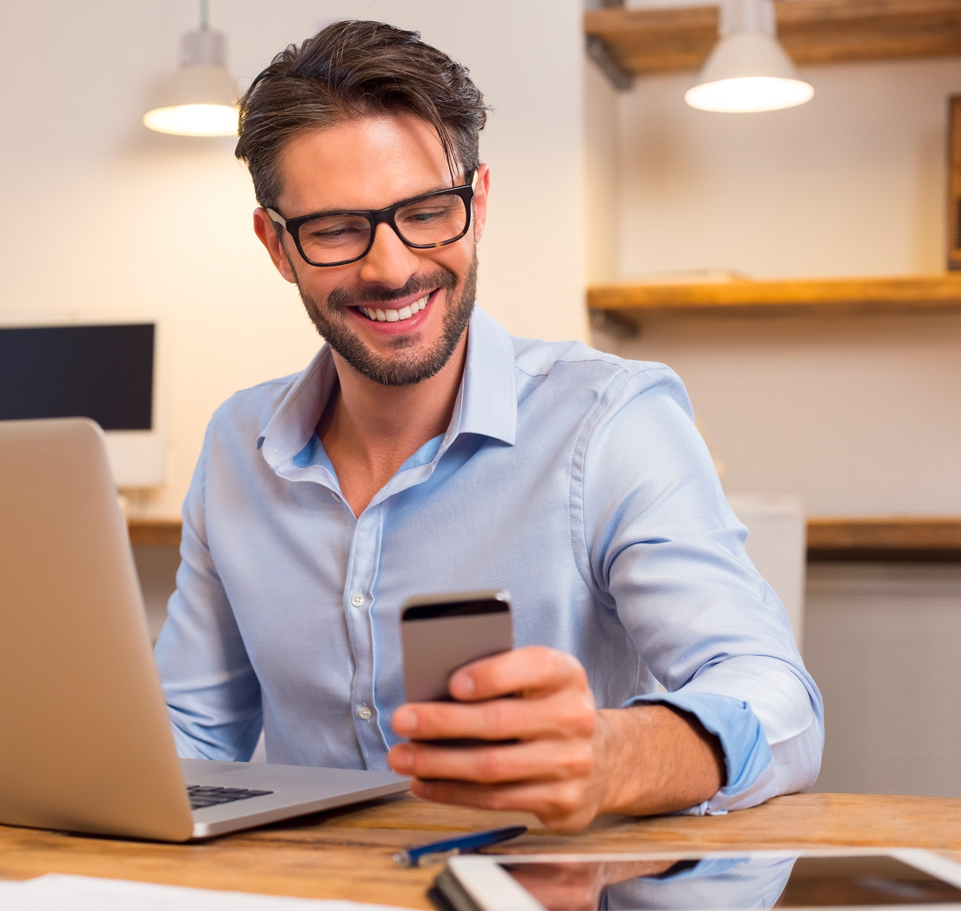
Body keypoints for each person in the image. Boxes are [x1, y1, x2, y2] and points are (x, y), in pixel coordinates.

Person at [153, 19, 822, 832]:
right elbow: (189, 741)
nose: (392, 266)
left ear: (479, 203)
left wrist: (616, 754)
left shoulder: (610, 423)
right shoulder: (237, 447)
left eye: (429, 212)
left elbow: (775, 698)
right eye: (335, 229)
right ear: (277, 246)